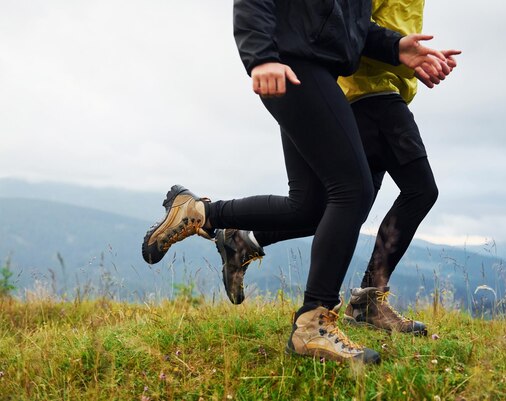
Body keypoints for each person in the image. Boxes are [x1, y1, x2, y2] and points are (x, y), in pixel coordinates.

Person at [143, 0, 451, 364]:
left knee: (310, 207)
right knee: (353, 191)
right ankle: (312, 325)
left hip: (312, 67)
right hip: (294, 61)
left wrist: (395, 47)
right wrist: (260, 56)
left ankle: (200, 213)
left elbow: (346, 25)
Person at [214, 0, 459, 336]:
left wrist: (406, 52)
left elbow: (358, 27)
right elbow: (345, 30)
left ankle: (240, 235)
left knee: (329, 204)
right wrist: (262, 57)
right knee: (406, 191)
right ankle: (339, 310)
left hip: (368, 89)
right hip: (369, 91)